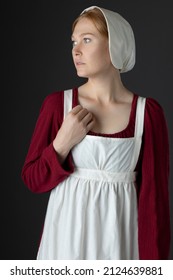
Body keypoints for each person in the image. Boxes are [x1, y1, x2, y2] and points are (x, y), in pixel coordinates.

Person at [21, 5, 170, 260]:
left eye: (87, 40)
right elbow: (33, 180)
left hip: (120, 248)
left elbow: (155, 204)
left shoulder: (147, 113)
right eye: (74, 42)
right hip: (64, 247)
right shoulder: (58, 105)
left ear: (115, 45)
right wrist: (61, 144)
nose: (75, 50)